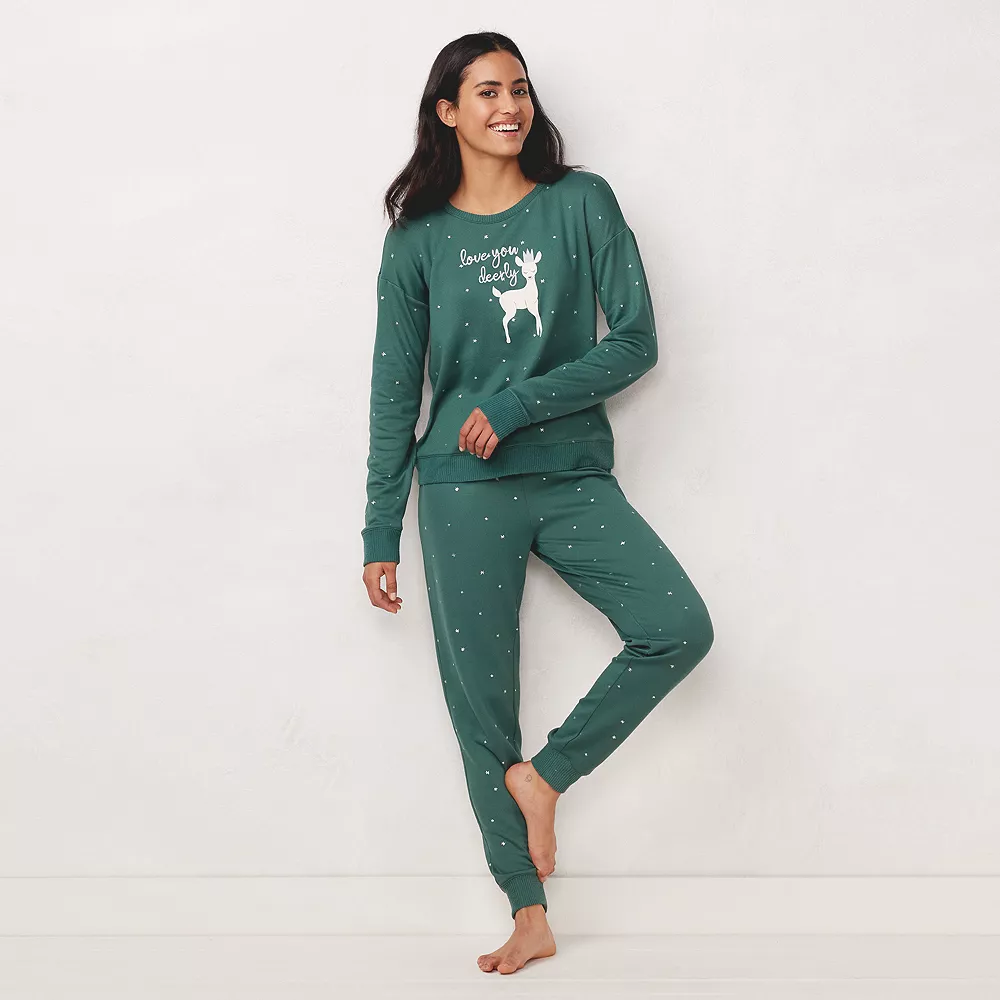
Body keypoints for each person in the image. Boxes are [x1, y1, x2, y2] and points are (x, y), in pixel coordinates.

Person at [360, 31, 715, 975]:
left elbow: (635, 341)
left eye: (518, 88)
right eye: (485, 92)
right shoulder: (417, 240)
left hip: (567, 474)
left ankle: (547, 777)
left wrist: (518, 403)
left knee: (677, 626)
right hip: (458, 488)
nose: (509, 106)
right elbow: (395, 395)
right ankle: (528, 911)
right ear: (447, 112)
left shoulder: (580, 203)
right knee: (482, 707)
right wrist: (379, 527)